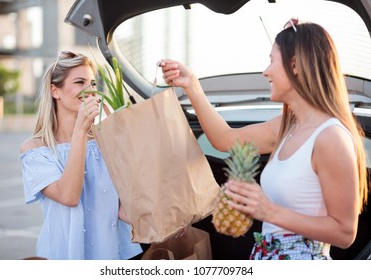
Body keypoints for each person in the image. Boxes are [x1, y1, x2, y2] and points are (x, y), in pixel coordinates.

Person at [160, 19, 369, 260]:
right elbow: (224, 139)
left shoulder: (331, 137)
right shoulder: (286, 128)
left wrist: (268, 211)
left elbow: (344, 232)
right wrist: (191, 84)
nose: (265, 71)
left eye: (272, 61)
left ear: (295, 65)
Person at [19, 51, 142, 260]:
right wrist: (80, 132)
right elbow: (69, 196)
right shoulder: (35, 149)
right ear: (55, 91)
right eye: (80, 82)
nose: (90, 90)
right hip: (63, 254)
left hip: (111, 254)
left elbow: (122, 210)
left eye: (93, 83)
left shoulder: (106, 141)